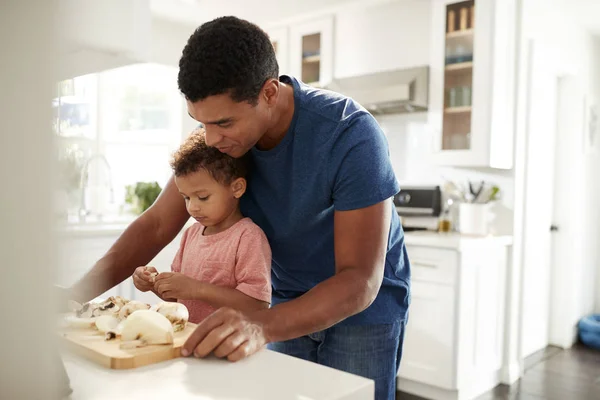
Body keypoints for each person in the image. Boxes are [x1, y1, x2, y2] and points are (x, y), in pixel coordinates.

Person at [66, 16, 410, 400]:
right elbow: (157, 224)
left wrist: (262, 326)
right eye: (200, 123)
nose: (210, 139)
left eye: (224, 122)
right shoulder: (217, 142)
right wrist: (74, 294)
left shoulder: (349, 133)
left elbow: (358, 279)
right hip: (284, 298)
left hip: (362, 309)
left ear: (268, 94)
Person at [132, 129, 272, 323]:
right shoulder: (191, 234)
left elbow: (257, 306)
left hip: (229, 346)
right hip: (189, 340)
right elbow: (180, 297)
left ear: (237, 188)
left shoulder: (248, 237)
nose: (192, 207)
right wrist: (154, 284)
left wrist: (196, 289)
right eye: (186, 198)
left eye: (203, 197)